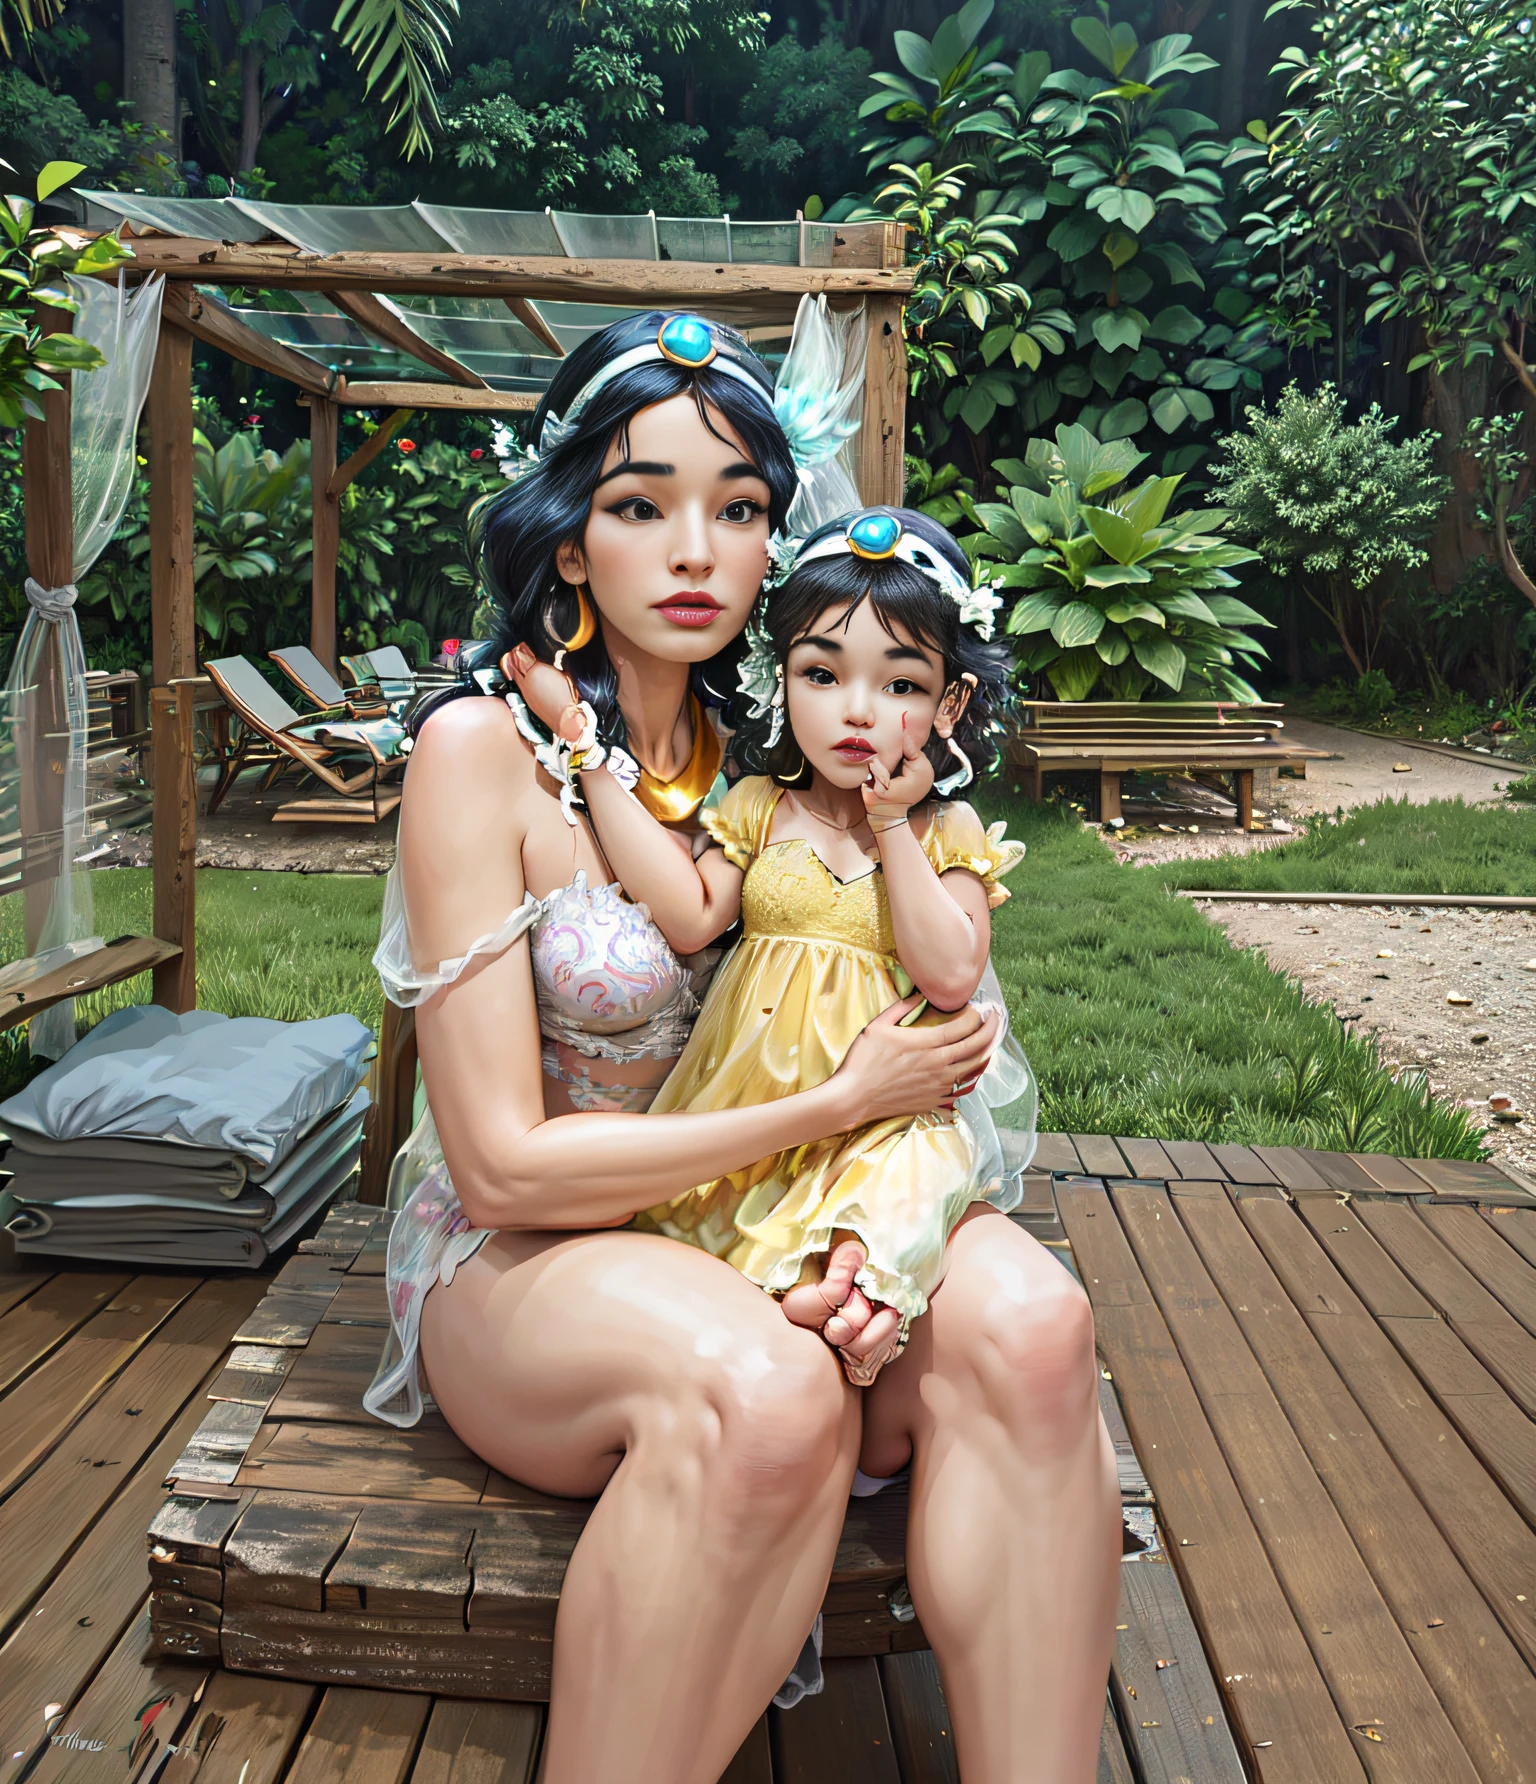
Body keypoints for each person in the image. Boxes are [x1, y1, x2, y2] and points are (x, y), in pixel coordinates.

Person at [366, 306, 1120, 1783]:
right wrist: (833, 1104)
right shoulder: (483, 754)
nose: (699, 549)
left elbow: (904, 980)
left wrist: (874, 1190)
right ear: (572, 541)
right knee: (769, 1393)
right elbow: (506, 1169)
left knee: (1035, 1329)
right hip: (528, 1250)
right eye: (643, 506)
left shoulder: (774, 752)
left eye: (743, 508)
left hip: (774, 1207)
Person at [508, 503, 1037, 1387]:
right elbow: (688, 914)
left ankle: (851, 1312)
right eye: (822, 674)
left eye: (901, 686)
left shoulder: (949, 830)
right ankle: (793, 1344)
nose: (857, 712)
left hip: (886, 1113)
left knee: (898, 1197)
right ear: (779, 679)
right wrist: (584, 749)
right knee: (719, 1237)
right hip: (747, 1102)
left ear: (950, 702)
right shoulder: (761, 805)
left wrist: (894, 825)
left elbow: (950, 973)